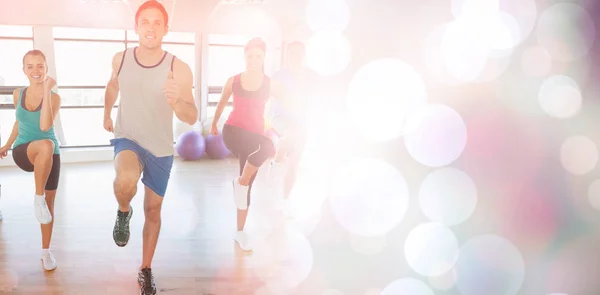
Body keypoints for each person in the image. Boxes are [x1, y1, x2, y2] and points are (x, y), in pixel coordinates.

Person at [103, 1, 197, 294]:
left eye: (158, 23)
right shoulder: (120, 58)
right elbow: (112, 86)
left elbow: (191, 116)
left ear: (166, 29)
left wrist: (176, 101)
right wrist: (106, 113)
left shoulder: (178, 68)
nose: (151, 28)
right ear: (136, 27)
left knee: (153, 210)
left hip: (160, 148)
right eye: (146, 22)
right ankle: (122, 210)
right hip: (128, 137)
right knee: (126, 179)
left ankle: (145, 269)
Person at [210, 37, 288, 251]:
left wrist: (289, 122)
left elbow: (288, 104)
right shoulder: (233, 80)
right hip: (233, 131)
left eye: (258, 56)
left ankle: (240, 232)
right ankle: (241, 182)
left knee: (247, 187)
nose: (253, 60)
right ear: (244, 57)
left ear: (264, 58)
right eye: (250, 56)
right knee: (269, 147)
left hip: (254, 139)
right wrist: (214, 122)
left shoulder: (270, 83)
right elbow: (223, 101)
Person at [0, 49, 61, 271]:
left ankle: (46, 252)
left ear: (46, 68)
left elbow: (45, 126)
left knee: (50, 204)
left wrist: (46, 89)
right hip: (24, 151)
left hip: (50, 153)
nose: (35, 70)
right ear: (24, 69)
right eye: (30, 66)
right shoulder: (18, 93)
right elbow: (19, 122)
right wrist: (7, 144)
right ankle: (38, 198)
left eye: (40, 66)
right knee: (45, 145)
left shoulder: (54, 97)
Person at [268, 41, 317, 214]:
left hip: (301, 120)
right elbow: (270, 95)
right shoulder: (279, 75)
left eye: (298, 53)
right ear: (287, 55)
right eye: (291, 53)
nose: (294, 56)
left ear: (303, 56)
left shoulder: (310, 76)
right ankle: (276, 161)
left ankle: (285, 199)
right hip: (281, 118)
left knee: (295, 161)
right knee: (290, 133)